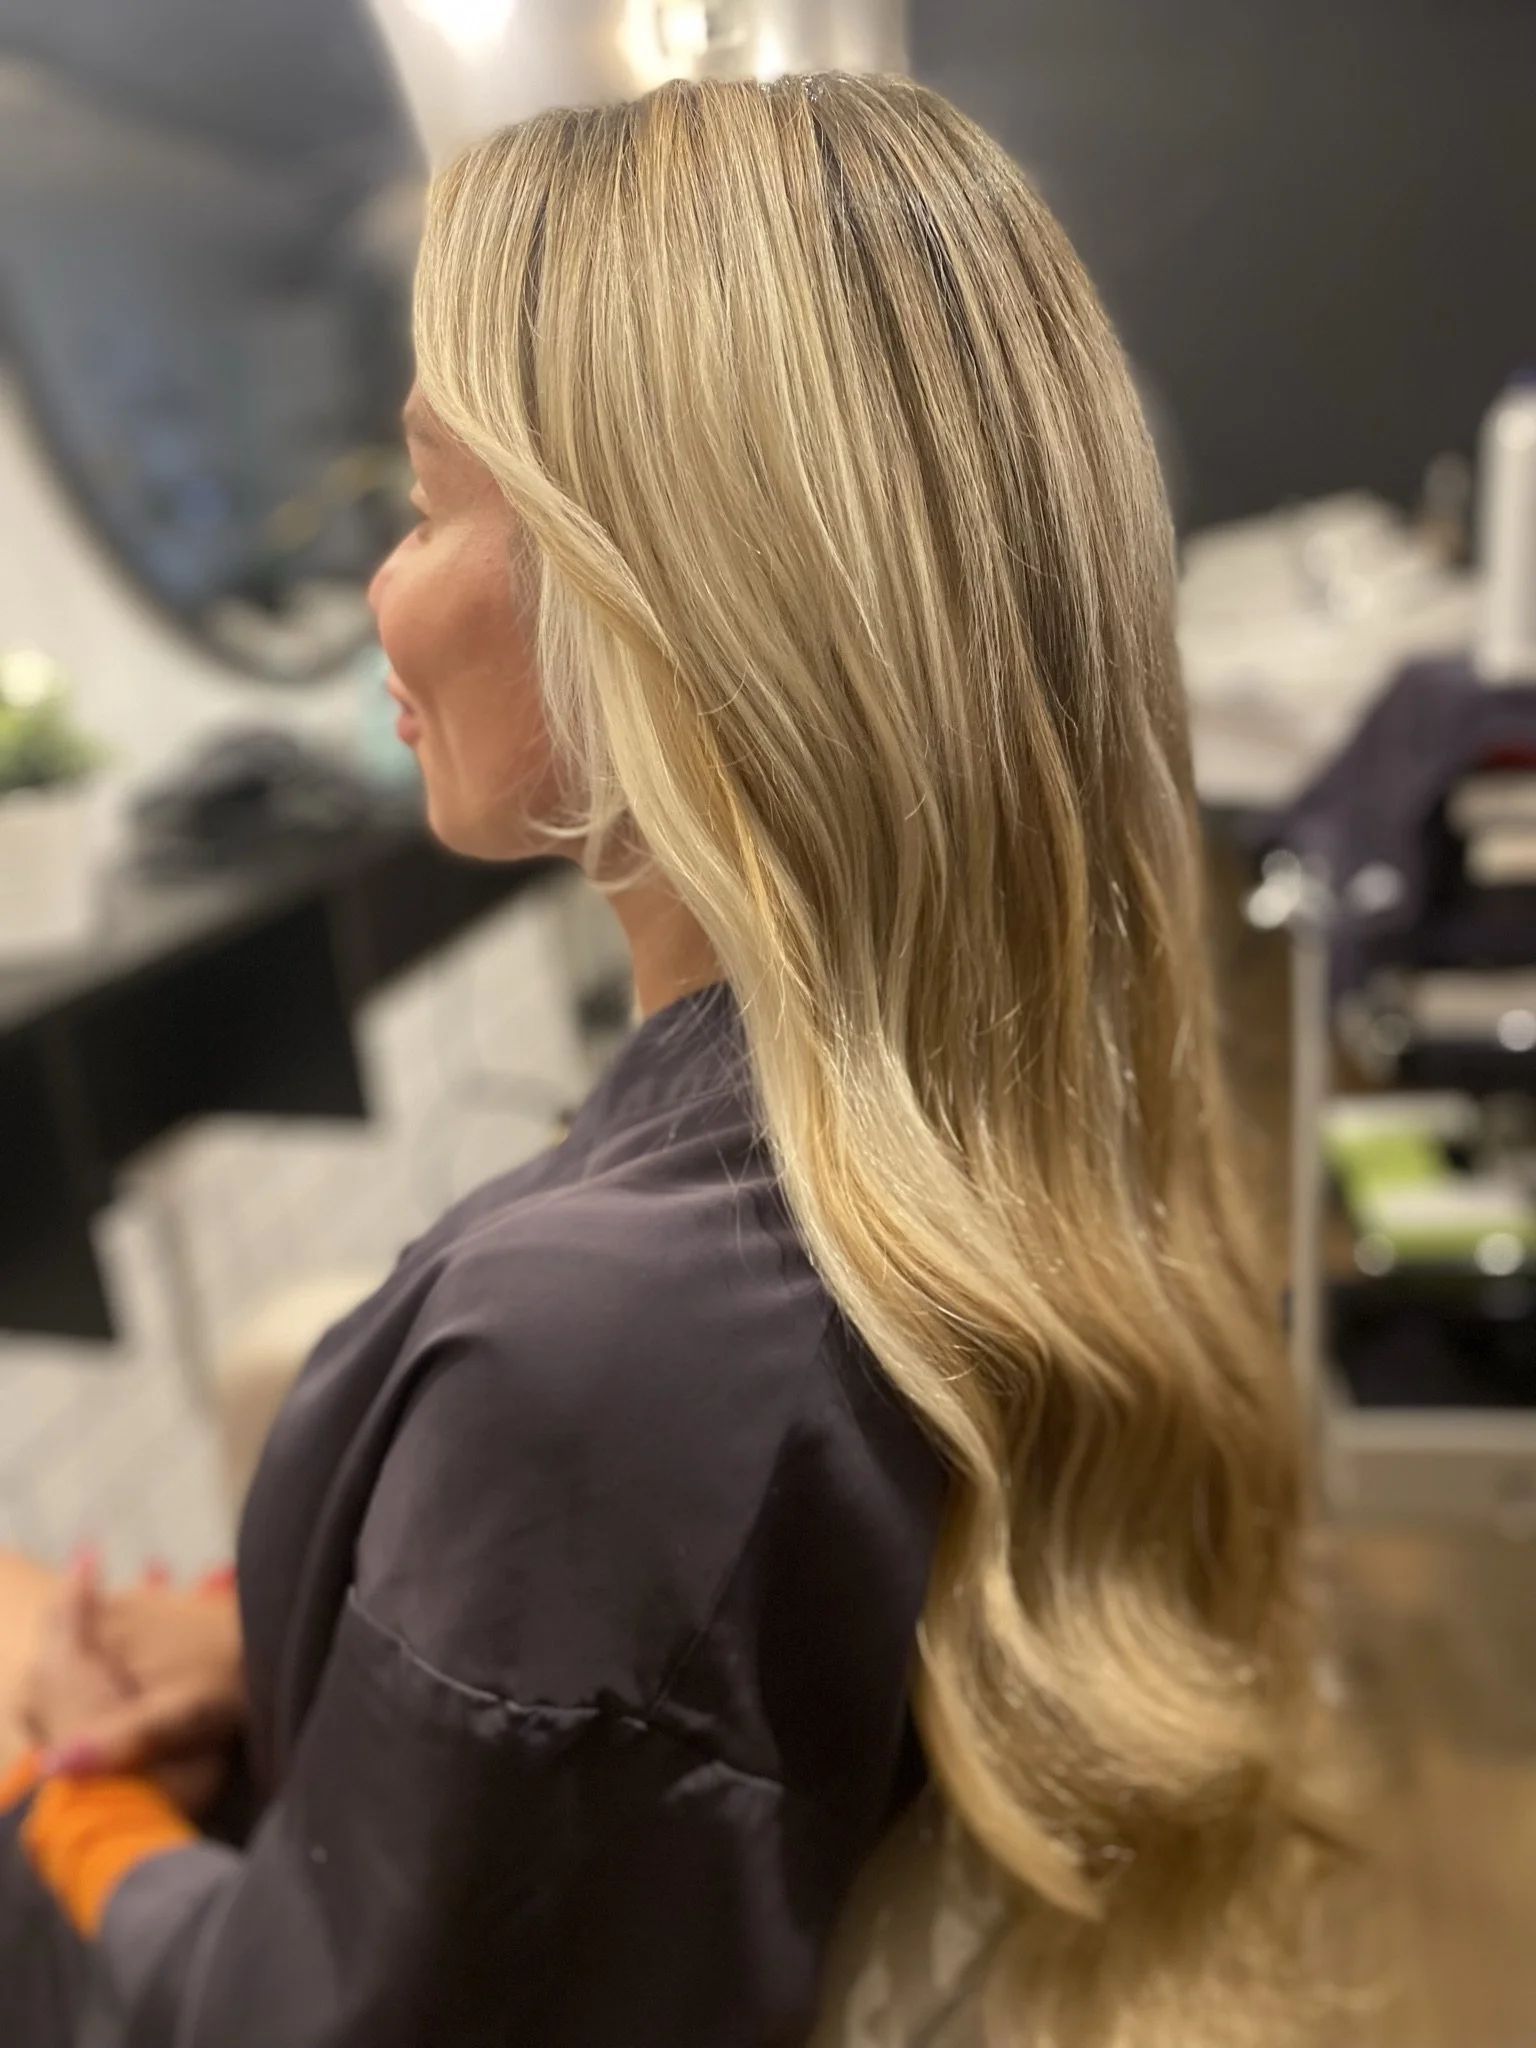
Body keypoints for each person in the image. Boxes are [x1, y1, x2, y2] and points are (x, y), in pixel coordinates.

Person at [0, 73, 1342, 2048]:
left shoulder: (596, 1353)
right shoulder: (982, 1115)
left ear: (680, 594)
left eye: (432, 504)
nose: (382, 587)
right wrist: (294, 1669)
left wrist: (70, 1789)